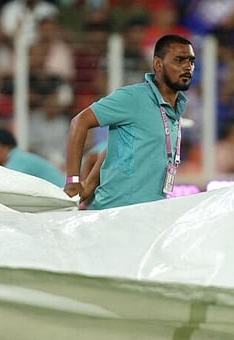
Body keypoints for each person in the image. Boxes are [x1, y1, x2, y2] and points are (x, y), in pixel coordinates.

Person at [63, 34, 194, 209]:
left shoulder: (176, 108)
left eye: (191, 61)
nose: (187, 66)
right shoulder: (133, 98)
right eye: (179, 60)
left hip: (149, 215)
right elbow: (79, 122)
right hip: (115, 214)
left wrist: (89, 185)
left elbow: (113, 148)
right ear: (158, 64)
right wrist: (74, 181)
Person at [0, 128, 65, 188]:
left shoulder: (18, 159)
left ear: (2, 148)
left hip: (64, 198)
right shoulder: (19, 157)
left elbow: (6, 186)